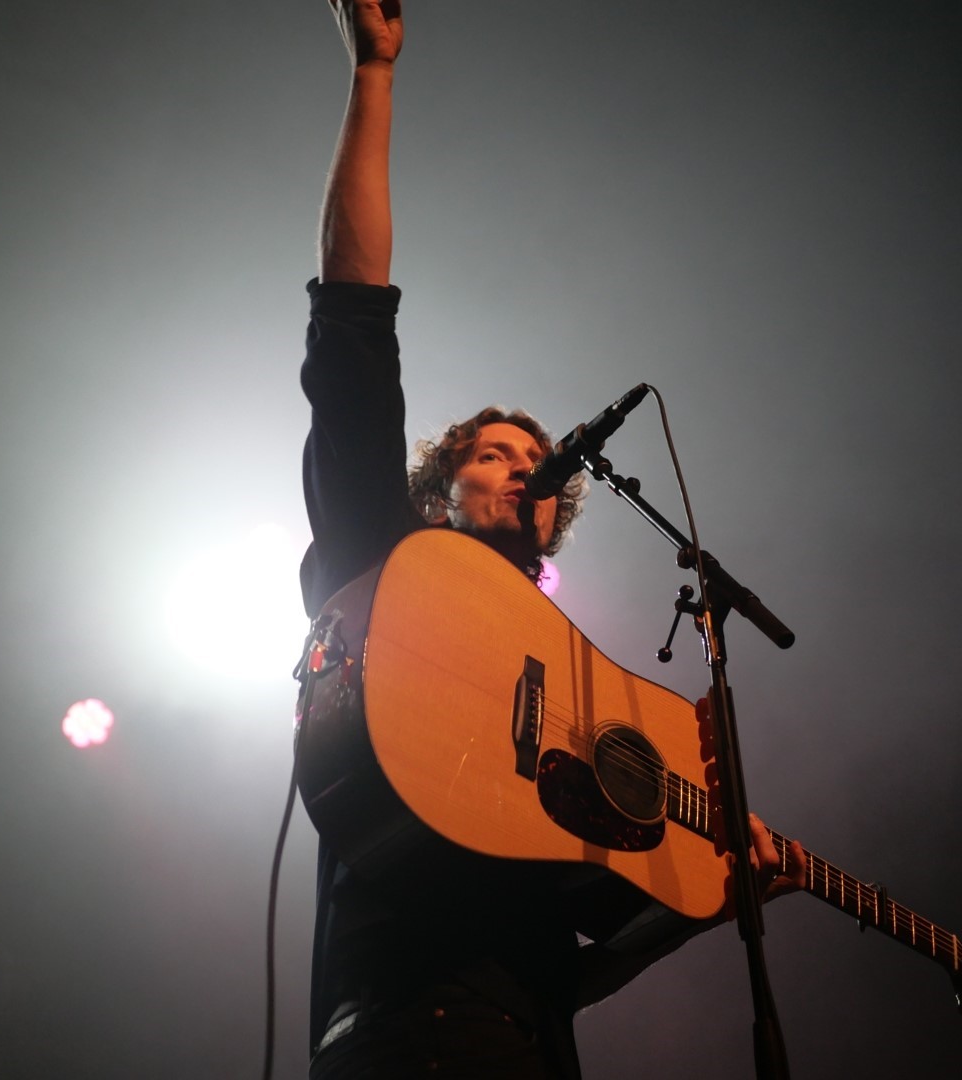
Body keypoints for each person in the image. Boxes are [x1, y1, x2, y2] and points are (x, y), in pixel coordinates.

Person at [298, 3, 807, 1075]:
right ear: (442, 487)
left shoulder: (569, 694)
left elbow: (584, 968)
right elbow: (351, 328)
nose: (518, 462)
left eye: (529, 459)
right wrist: (374, 77)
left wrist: (716, 905)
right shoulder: (389, 564)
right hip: (399, 1031)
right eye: (488, 452)